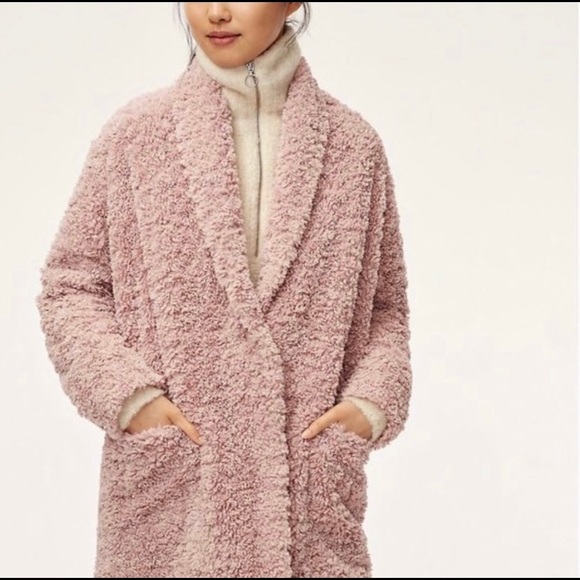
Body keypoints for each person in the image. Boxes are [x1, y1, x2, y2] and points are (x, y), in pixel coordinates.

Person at [36, 3, 412, 578]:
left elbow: (385, 310)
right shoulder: (136, 138)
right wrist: (131, 400)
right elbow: (70, 286)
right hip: (175, 502)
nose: (215, 12)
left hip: (305, 504)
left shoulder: (353, 150)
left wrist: (370, 407)